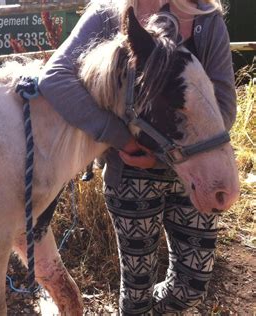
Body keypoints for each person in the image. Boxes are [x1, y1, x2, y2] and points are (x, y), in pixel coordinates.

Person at [38, 0, 236, 314]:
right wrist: (121, 139)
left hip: (197, 170)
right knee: (136, 290)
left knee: (192, 286)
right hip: (131, 173)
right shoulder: (107, 13)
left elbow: (223, 106)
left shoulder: (206, 20)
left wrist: (166, 157)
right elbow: (54, 78)